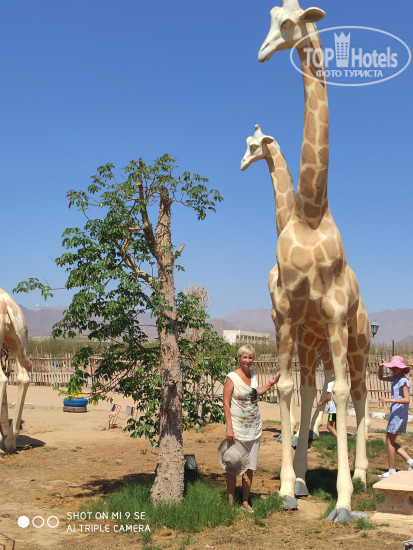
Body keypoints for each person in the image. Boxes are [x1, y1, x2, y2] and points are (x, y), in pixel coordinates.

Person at [222, 344, 281, 511]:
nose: (247, 360)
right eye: (244, 357)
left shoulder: (253, 375)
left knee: (249, 467)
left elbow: (255, 393)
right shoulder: (232, 377)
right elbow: (226, 403)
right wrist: (229, 428)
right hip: (237, 431)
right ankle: (230, 503)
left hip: (254, 429)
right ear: (239, 358)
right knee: (233, 465)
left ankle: (245, 502)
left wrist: (272, 382)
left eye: (250, 357)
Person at [377, 355, 413, 478]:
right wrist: (380, 367)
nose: (393, 369)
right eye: (392, 367)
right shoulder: (395, 378)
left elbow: (407, 399)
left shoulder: (403, 381)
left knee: (389, 441)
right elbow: (381, 377)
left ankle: (392, 470)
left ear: (402, 369)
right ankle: (410, 462)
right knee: (390, 441)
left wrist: (389, 400)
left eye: (396, 367)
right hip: (396, 414)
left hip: (399, 414)